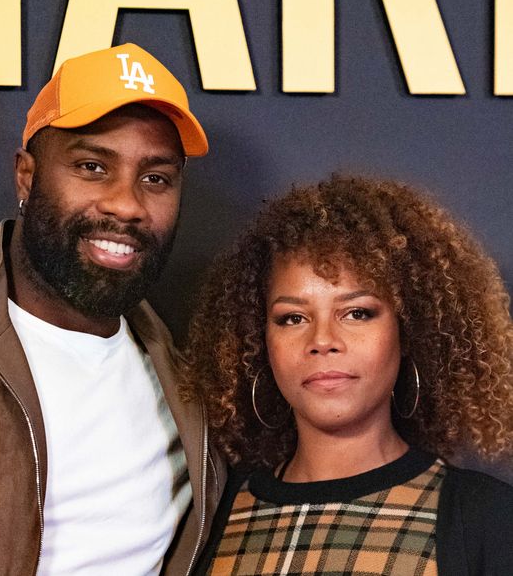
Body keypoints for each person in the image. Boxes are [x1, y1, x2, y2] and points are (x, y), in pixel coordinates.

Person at [0, 43, 224, 575]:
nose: (126, 204)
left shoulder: (189, 374)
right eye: (92, 166)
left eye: (155, 178)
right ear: (26, 176)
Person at [184, 176, 513, 575]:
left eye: (357, 313)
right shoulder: (213, 515)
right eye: (292, 318)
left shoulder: (486, 519)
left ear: (407, 330)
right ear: (260, 340)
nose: (322, 340)